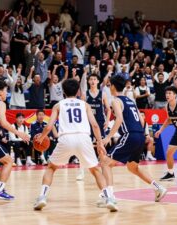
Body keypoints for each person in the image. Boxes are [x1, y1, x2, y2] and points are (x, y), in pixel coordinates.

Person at [33, 79, 117, 212]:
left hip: (66, 138)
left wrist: (42, 137)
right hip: (83, 138)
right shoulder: (85, 104)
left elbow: (49, 126)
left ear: (63, 92)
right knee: (95, 170)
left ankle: (42, 197)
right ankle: (109, 198)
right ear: (78, 91)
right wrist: (100, 143)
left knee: (51, 168)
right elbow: (95, 125)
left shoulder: (58, 105)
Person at [98, 76, 166, 207]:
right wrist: (143, 134)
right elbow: (141, 120)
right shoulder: (130, 101)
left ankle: (110, 197)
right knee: (133, 167)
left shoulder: (116, 101)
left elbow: (119, 119)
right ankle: (158, 188)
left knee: (105, 163)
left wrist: (108, 137)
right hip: (139, 135)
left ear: (112, 86)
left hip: (130, 135)